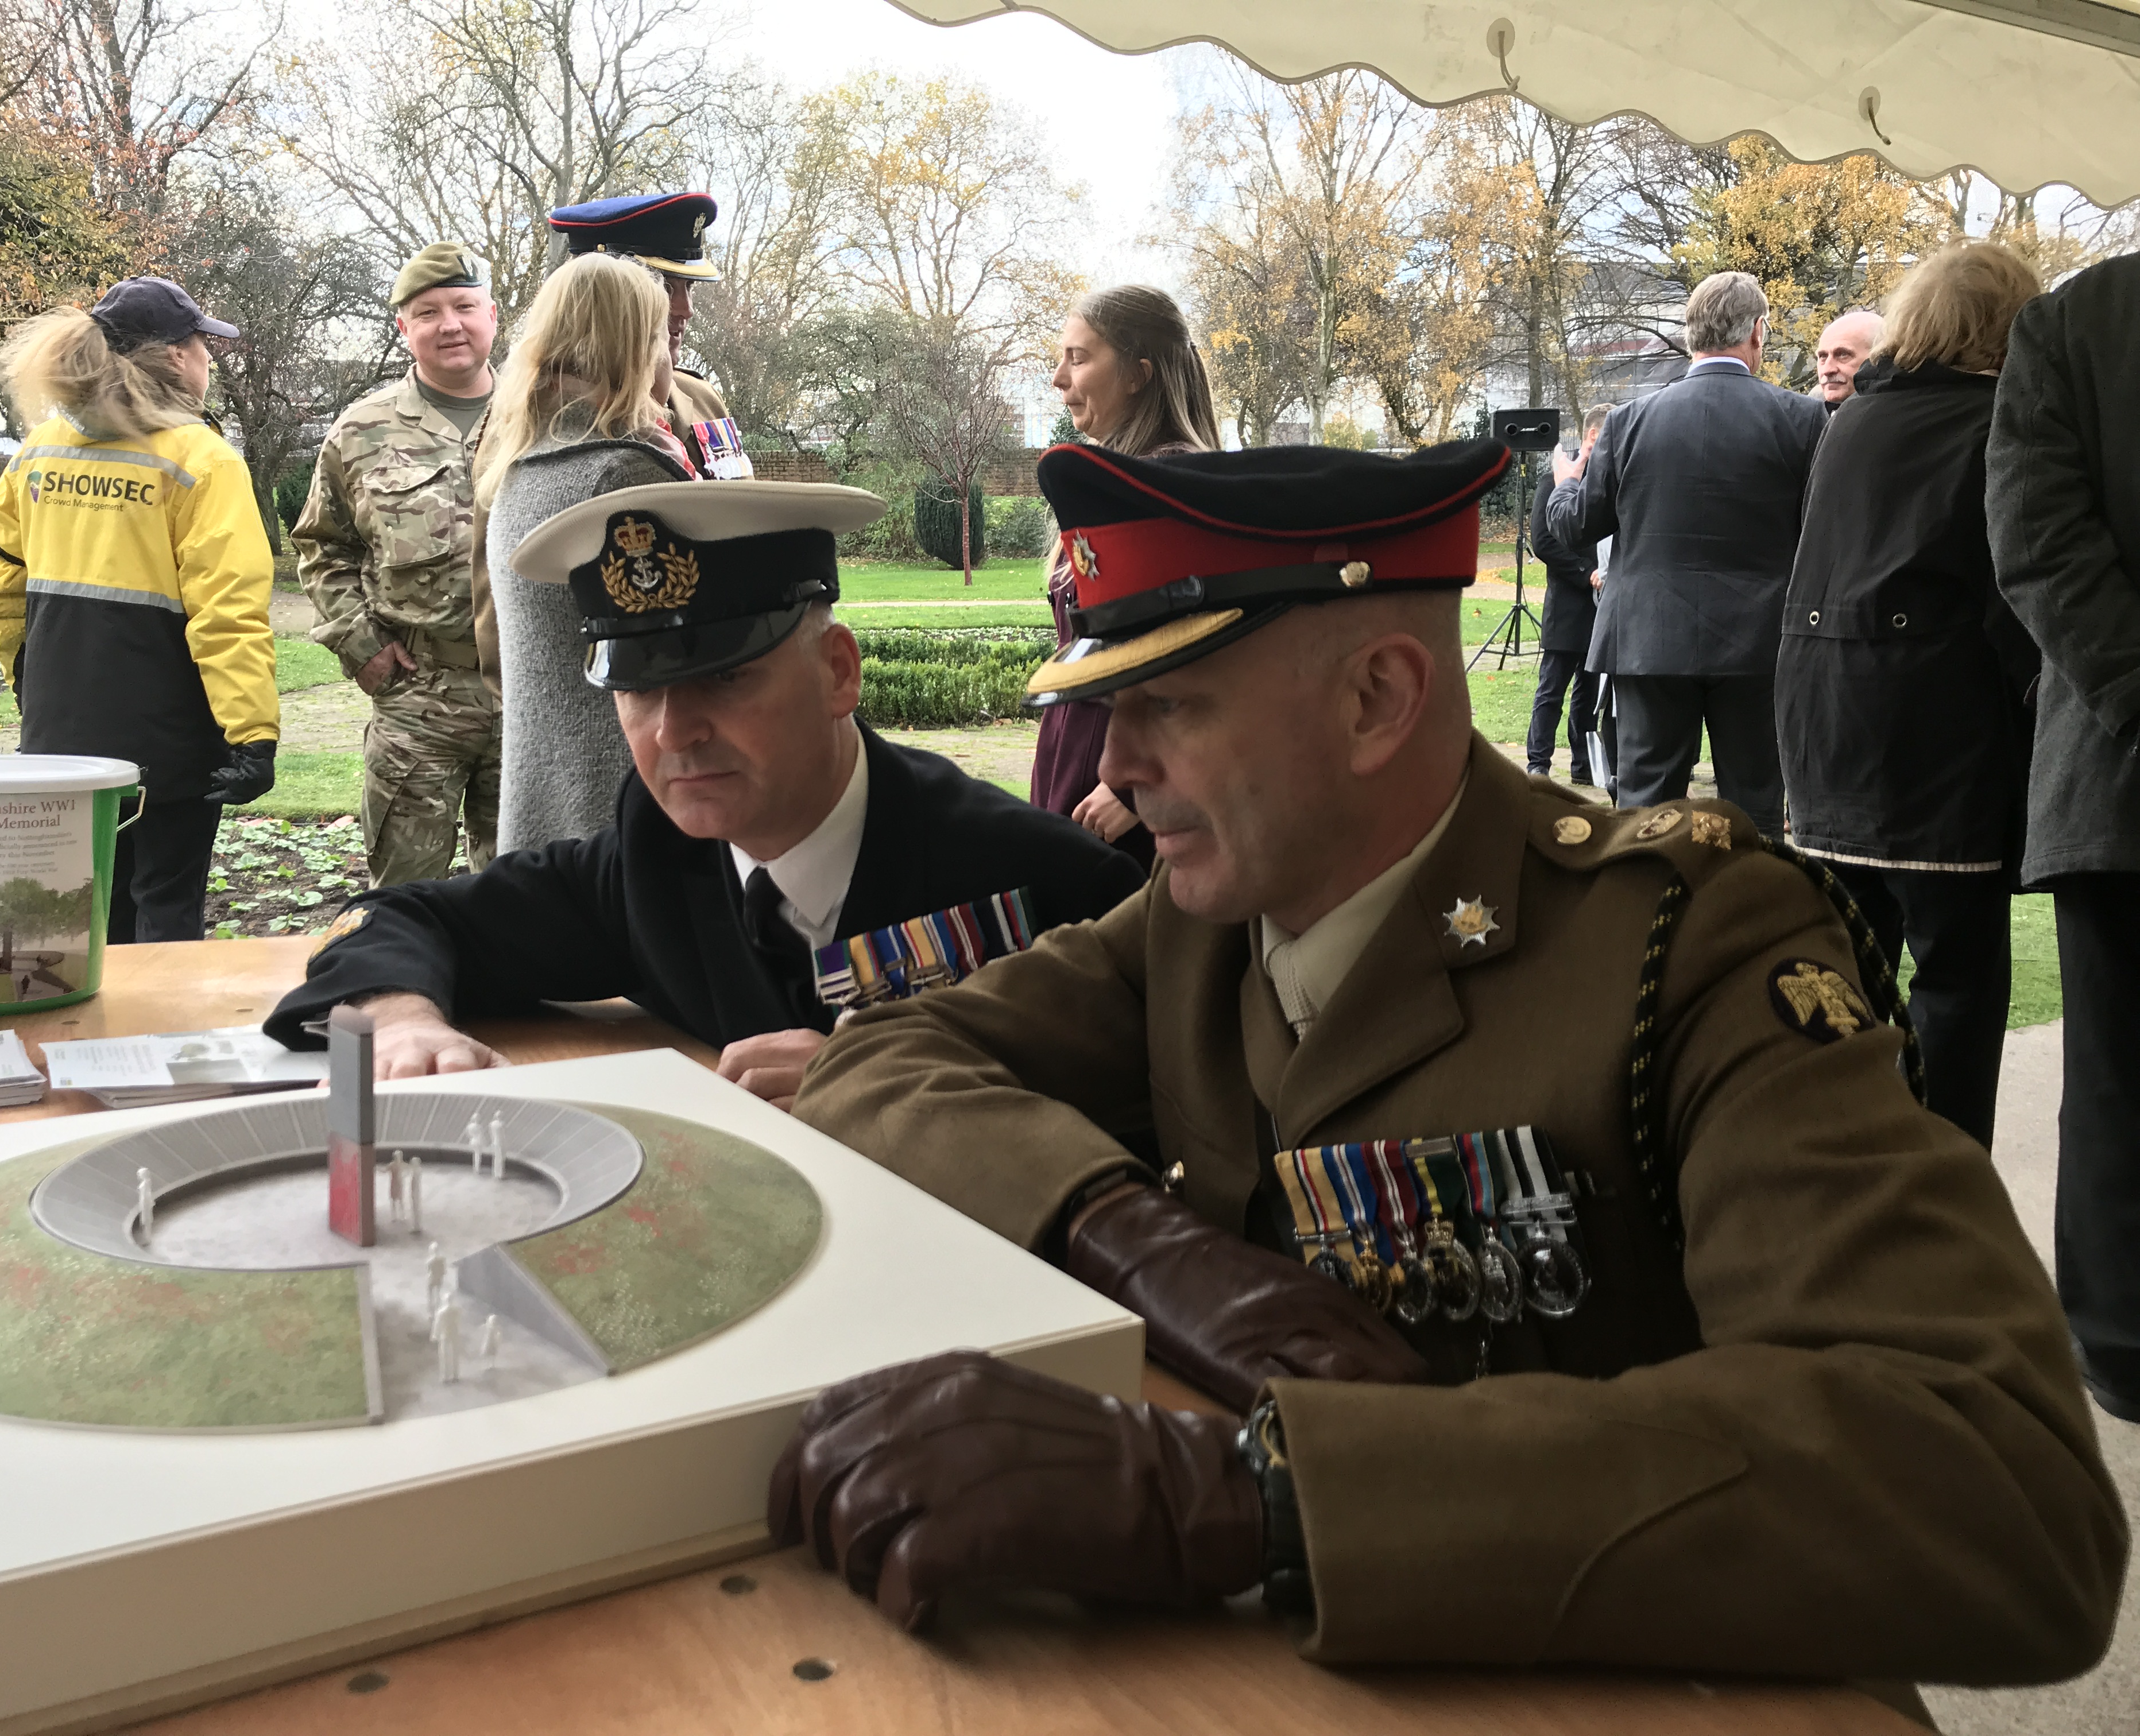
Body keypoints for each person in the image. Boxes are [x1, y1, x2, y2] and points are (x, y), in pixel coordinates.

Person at [772, 440, 2125, 1702]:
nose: (1114, 767)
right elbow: (876, 1063)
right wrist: (1138, 1245)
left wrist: (1258, 1495)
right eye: (1106, 708)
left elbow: (2000, 1480)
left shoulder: (1690, 940)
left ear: (1377, 700)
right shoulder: (1202, 921)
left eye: (1166, 704)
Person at [265, 481, 1145, 1106]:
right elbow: (406, 918)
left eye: (724, 680)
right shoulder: (660, 856)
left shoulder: (1017, 868)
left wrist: (897, 1076)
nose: (673, 732)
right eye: (640, 689)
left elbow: (1174, 1054)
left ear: (839, 675)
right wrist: (400, 1018)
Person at [1777, 243, 2043, 1152]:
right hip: (1936, 734)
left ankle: (1838, 1166)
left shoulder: (1852, 421)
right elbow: (2013, 588)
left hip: (1823, 726)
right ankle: (1944, 1187)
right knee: (1959, 982)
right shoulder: (2000, 424)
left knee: (1844, 980)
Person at [0, 277, 280, 943]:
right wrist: (251, 734)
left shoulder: (37, 452)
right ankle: (157, 1046)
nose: (210, 358)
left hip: (61, 735)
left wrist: (32, 685)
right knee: (166, 907)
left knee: (84, 916)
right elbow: (226, 611)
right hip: (170, 737)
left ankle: (86, 1044)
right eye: (205, 344)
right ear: (176, 356)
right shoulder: (200, 460)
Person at [1988, 250, 2140, 1424]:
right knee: (2116, 1081)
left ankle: (2122, 1344)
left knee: (2116, 1080)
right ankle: (2124, 1344)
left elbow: (2037, 543)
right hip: (2118, 779)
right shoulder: (2080, 324)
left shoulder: (2071, 322)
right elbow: (2039, 543)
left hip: (2114, 767)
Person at [1548, 272, 1827, 835]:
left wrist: (1566, 485)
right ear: (1758, 334)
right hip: (1760, 644)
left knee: (1645, 807)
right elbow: (1823, 533)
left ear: (1692, 333)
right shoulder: (1801, 419)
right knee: (1755, 809)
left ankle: (1638, 918)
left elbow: (1575, 529)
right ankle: (1746, 919)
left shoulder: (1628, 423)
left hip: (1649, 641)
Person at [293, 243, 502, 888]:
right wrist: (363, 647)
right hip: (419, 698)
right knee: (406, 898)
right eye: (428, 312)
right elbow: (323, 547)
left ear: (492, 315)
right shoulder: (361, 432)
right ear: (403, 328)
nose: (450, 325)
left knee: (531, 897)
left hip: (531, 694)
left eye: (465, 306)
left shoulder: (547, 417)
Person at [475, 252, 695, 855]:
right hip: (622, 815)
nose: (668, 357)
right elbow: (694, 649)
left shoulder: (522, 465)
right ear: (633, 348)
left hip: (546, 803)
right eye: (659, 337)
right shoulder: (620, 475)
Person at [1033, 286, 1220, 868]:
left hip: (1121, 785)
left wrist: (1138, 789)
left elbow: (1211, 659)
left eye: (1079, 358)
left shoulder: (1172, 486)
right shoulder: (1113, 481)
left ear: (1139, 375)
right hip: (1077, 761)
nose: (1059, 378)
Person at [544, 192, 753, 480]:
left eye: (689, 287)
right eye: (663, 288)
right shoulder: (533, 416)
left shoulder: (702, 398)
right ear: (598, 300)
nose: (686, 310)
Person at [1526, 404, 1609, 785]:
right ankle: (1538, 765)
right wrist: (1586, 573)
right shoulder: (1556, 480)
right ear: (1594, 435)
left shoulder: (1611, 482)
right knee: (1552, 688)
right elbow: (1543, 541)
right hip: (1568, 603)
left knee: (1589, 693)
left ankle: (1583, 767)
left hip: (1603, 608)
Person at [1813, 308, 1885, 410]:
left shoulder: (1899, 414)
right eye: (1823, 357)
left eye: (1843, 355)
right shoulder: (1811, 413)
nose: (1827, 370)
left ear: (1880, 357)